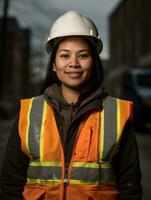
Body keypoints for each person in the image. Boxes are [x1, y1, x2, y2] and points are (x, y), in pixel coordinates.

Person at [0, 10, 142, 200]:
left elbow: (129, 187)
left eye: (83, 55)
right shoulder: (30, 112)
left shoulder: (117, 113)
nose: (73, 63)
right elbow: (11, 184)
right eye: (65, 55)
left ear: (94, 62)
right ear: (53, 64)